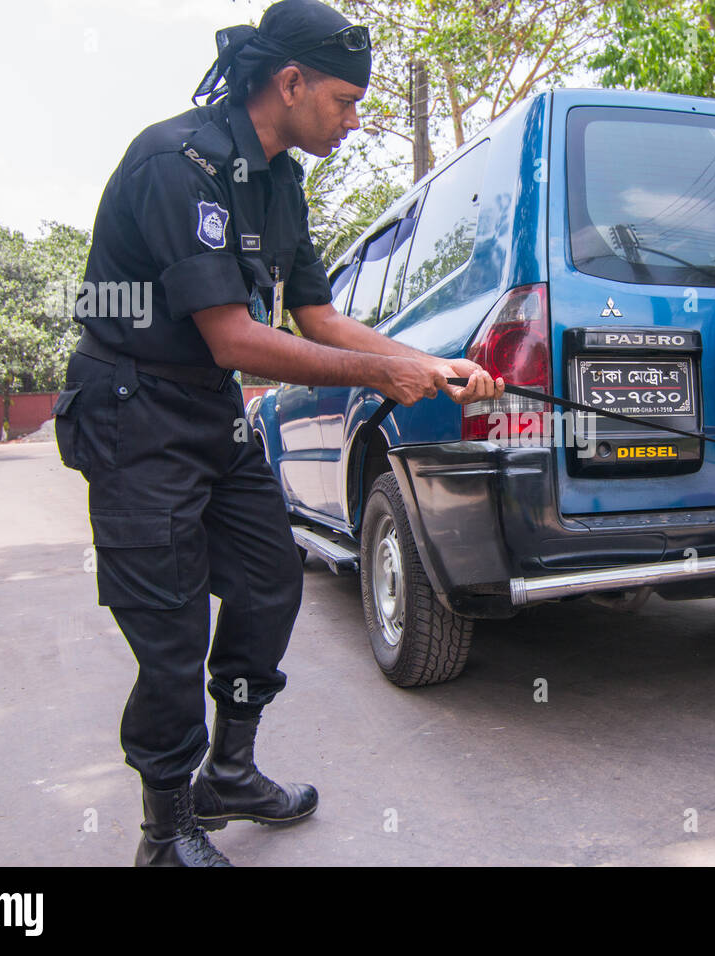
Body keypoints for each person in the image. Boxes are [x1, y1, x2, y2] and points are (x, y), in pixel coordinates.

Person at [53, 0, 503, 866]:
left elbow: (319, 316)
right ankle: (166, 828)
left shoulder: (281, 181)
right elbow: (234, 337)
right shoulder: (174, 163)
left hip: (208, 413)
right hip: (133, 414)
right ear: (289, 83)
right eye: (343, 100)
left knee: (270, 580)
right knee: (172, 626)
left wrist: (426, 361)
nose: (353, 118)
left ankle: (231, 769)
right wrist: (382, 375)